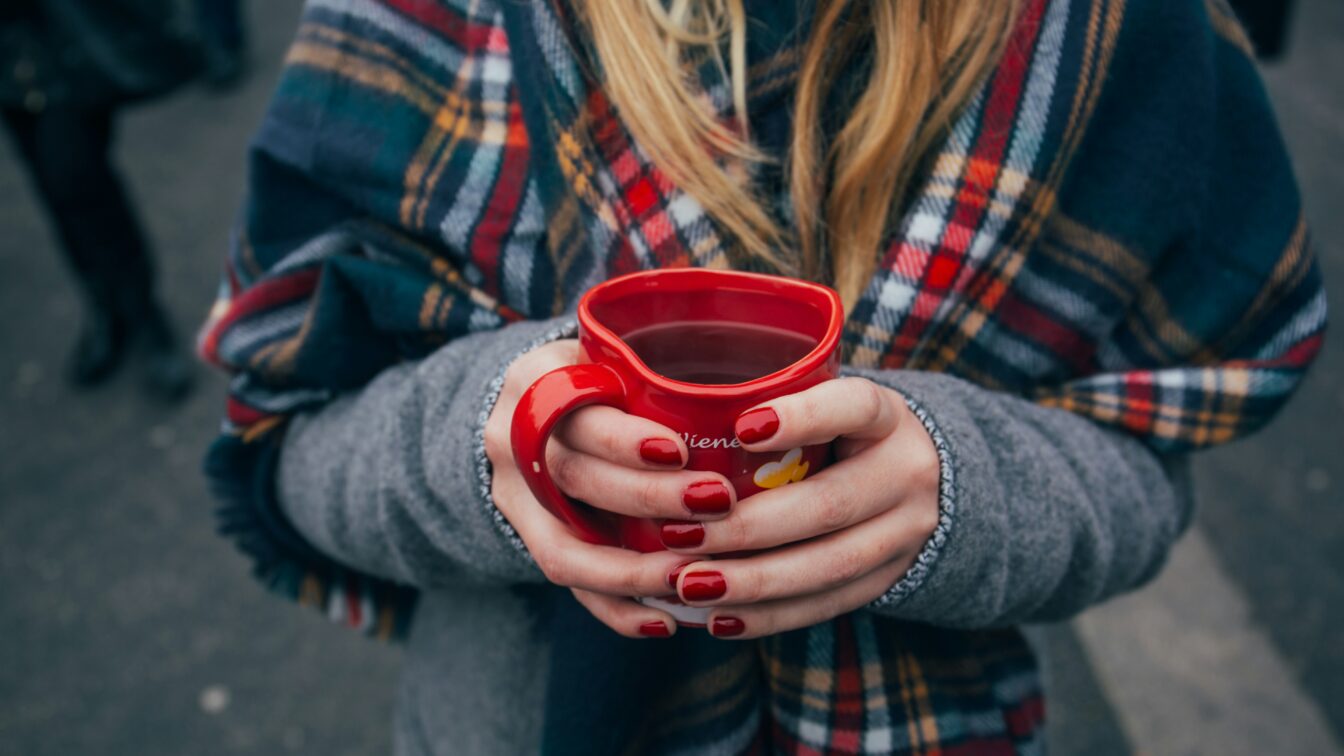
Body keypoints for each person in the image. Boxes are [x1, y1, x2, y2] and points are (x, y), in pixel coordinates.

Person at [198, 0, 1325, 753]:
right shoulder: (437, 15)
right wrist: (494, 438)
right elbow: (292, 443)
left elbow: (1147, 469)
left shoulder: (1112, 32)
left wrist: (958, 492)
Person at [2, 0, 198, 400]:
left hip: (61, 40)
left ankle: (146, 316)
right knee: (54, 191)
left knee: (79, 178)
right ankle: (105, 308)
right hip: (8, 58)